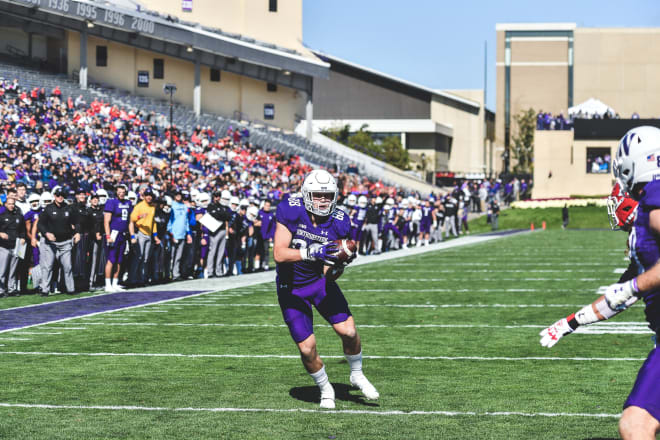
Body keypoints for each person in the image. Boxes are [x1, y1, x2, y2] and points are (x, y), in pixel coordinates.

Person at [540, 126, 660, 440]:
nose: (619, 183)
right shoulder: (647, 215)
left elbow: (631, 289)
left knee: (637, 425)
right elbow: (618, 297)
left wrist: (634, 287)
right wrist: (570, 323)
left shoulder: (655, 196)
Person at [273, 169, 378, 409]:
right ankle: (325, 388)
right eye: (317, 195)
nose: (323, 200)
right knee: (307, 348)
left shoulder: (340, 220)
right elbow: (279, 253)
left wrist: (339, 263)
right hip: (291, 288)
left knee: (349, 332)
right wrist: (311, 252)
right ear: (306, 194)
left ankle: (357, 373)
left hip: (319, 283)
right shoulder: (291, 209)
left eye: (328, 195)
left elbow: (329, 275)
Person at [36, 187, 80, 295]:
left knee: (67, 266)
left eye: (62, 195)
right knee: (48, 266)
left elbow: (77, 222)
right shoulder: (48, 209)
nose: (60, 197)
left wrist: (77, 232)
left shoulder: (69, 208)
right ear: (54, 196)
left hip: (65, 241)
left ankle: (70, 289)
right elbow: (40, 224)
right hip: (51, 243)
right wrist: (46, 233)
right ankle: (45, 289)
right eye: (58, 195)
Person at [103, 185, 133, 292]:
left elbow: (130, 221)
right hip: (114, 233)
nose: (121, 193)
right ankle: (107, 284)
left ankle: (115, 283)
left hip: (123, 234)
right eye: (119, 192)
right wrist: (108, 235)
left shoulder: (128, 203)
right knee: (111, 259)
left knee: (119, 260)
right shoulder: (111, 202)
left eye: (123, 192)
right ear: (116, 192)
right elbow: (106, 221)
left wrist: (132, 235)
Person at [0, 197, 26, 297]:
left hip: (16, 246)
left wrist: (23, 237)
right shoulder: (1, 216)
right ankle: (1, 290)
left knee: (13, 270)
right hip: (4, 246)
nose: (11, 205)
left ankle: (11, 289)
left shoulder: (19, 216)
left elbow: (22, 230)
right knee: (2, 270)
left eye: (13, 204)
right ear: (5, 205)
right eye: (9, 204)